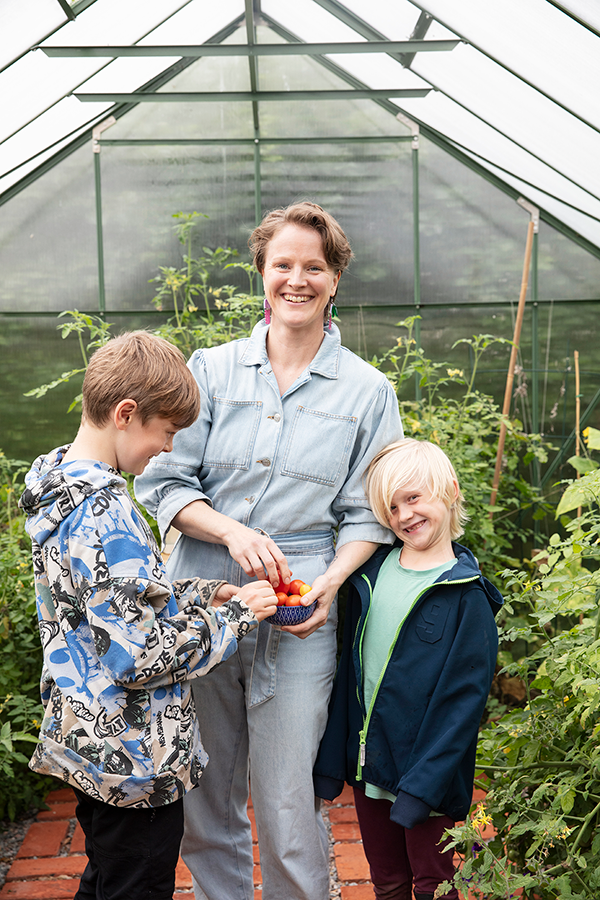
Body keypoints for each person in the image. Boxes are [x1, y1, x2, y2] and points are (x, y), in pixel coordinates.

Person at [135, 201, 404, 900]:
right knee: (205, 793)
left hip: (300, 602)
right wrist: (231, 531)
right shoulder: (212, 370)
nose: (296, 279)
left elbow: (368, 512)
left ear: (335, 279)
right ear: (261, 273)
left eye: (313, 266)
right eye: (281, 264)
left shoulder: (368, 390)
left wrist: (333, 583)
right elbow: (165, 478)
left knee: (288, 798)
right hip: (202, 592)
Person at [19, 331, 278, 900]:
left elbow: (115, 603)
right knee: (135, 884)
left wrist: (209, 594)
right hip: (135, 756)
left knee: (106, 879)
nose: (165, 449)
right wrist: (236, 621)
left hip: (89, 744)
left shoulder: (61, 490)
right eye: (165, 434)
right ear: (126, 414)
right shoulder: (109, 514)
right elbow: (137, 654)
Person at [313, 438, 503, 900]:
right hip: (370, 768)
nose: (403, 516)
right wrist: (333, 760)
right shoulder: (370, 577)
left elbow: (462, 706)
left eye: (413, 498)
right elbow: (352, 675)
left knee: (433, 883)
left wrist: (425, 784)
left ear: (450, 490)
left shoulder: (467, 596)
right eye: (391, 507)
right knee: (389, 882)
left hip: (428, 778)